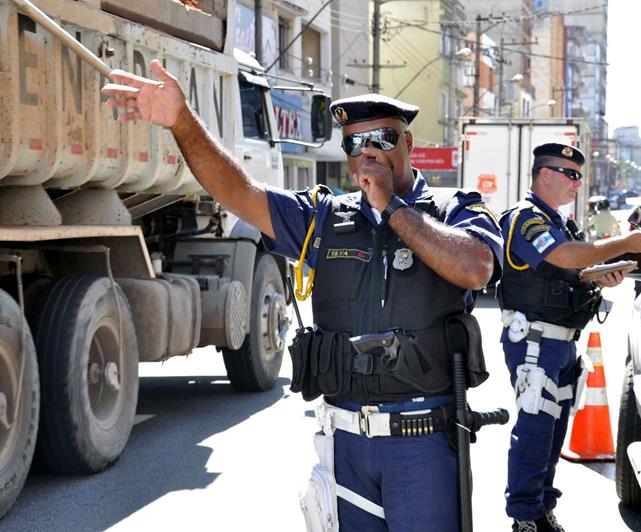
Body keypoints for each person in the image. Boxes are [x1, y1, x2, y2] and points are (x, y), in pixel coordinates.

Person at [101, 62, 503, 531]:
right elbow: (239, 192)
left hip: (423, 444)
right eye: (354, 143)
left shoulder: (454, 209)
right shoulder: (324, 217)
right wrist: (181, 122)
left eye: (383, 138)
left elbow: (476, 267)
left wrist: (392, 208)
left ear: (408, 143)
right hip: (346, 445)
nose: (368, 152)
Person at [496, 143, 641, 532]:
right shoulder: (526, 219)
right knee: (535, 430)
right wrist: (624, 244)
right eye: (569, 174)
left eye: (579, 176)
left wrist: (602, 278)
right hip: (535, 341)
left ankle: (540, 509)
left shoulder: (559, 223)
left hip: (561, 342)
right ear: (544, 174)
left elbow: (572, 272)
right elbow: (564, 256)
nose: (577, 183)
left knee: (552, 434)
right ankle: (524, 516)